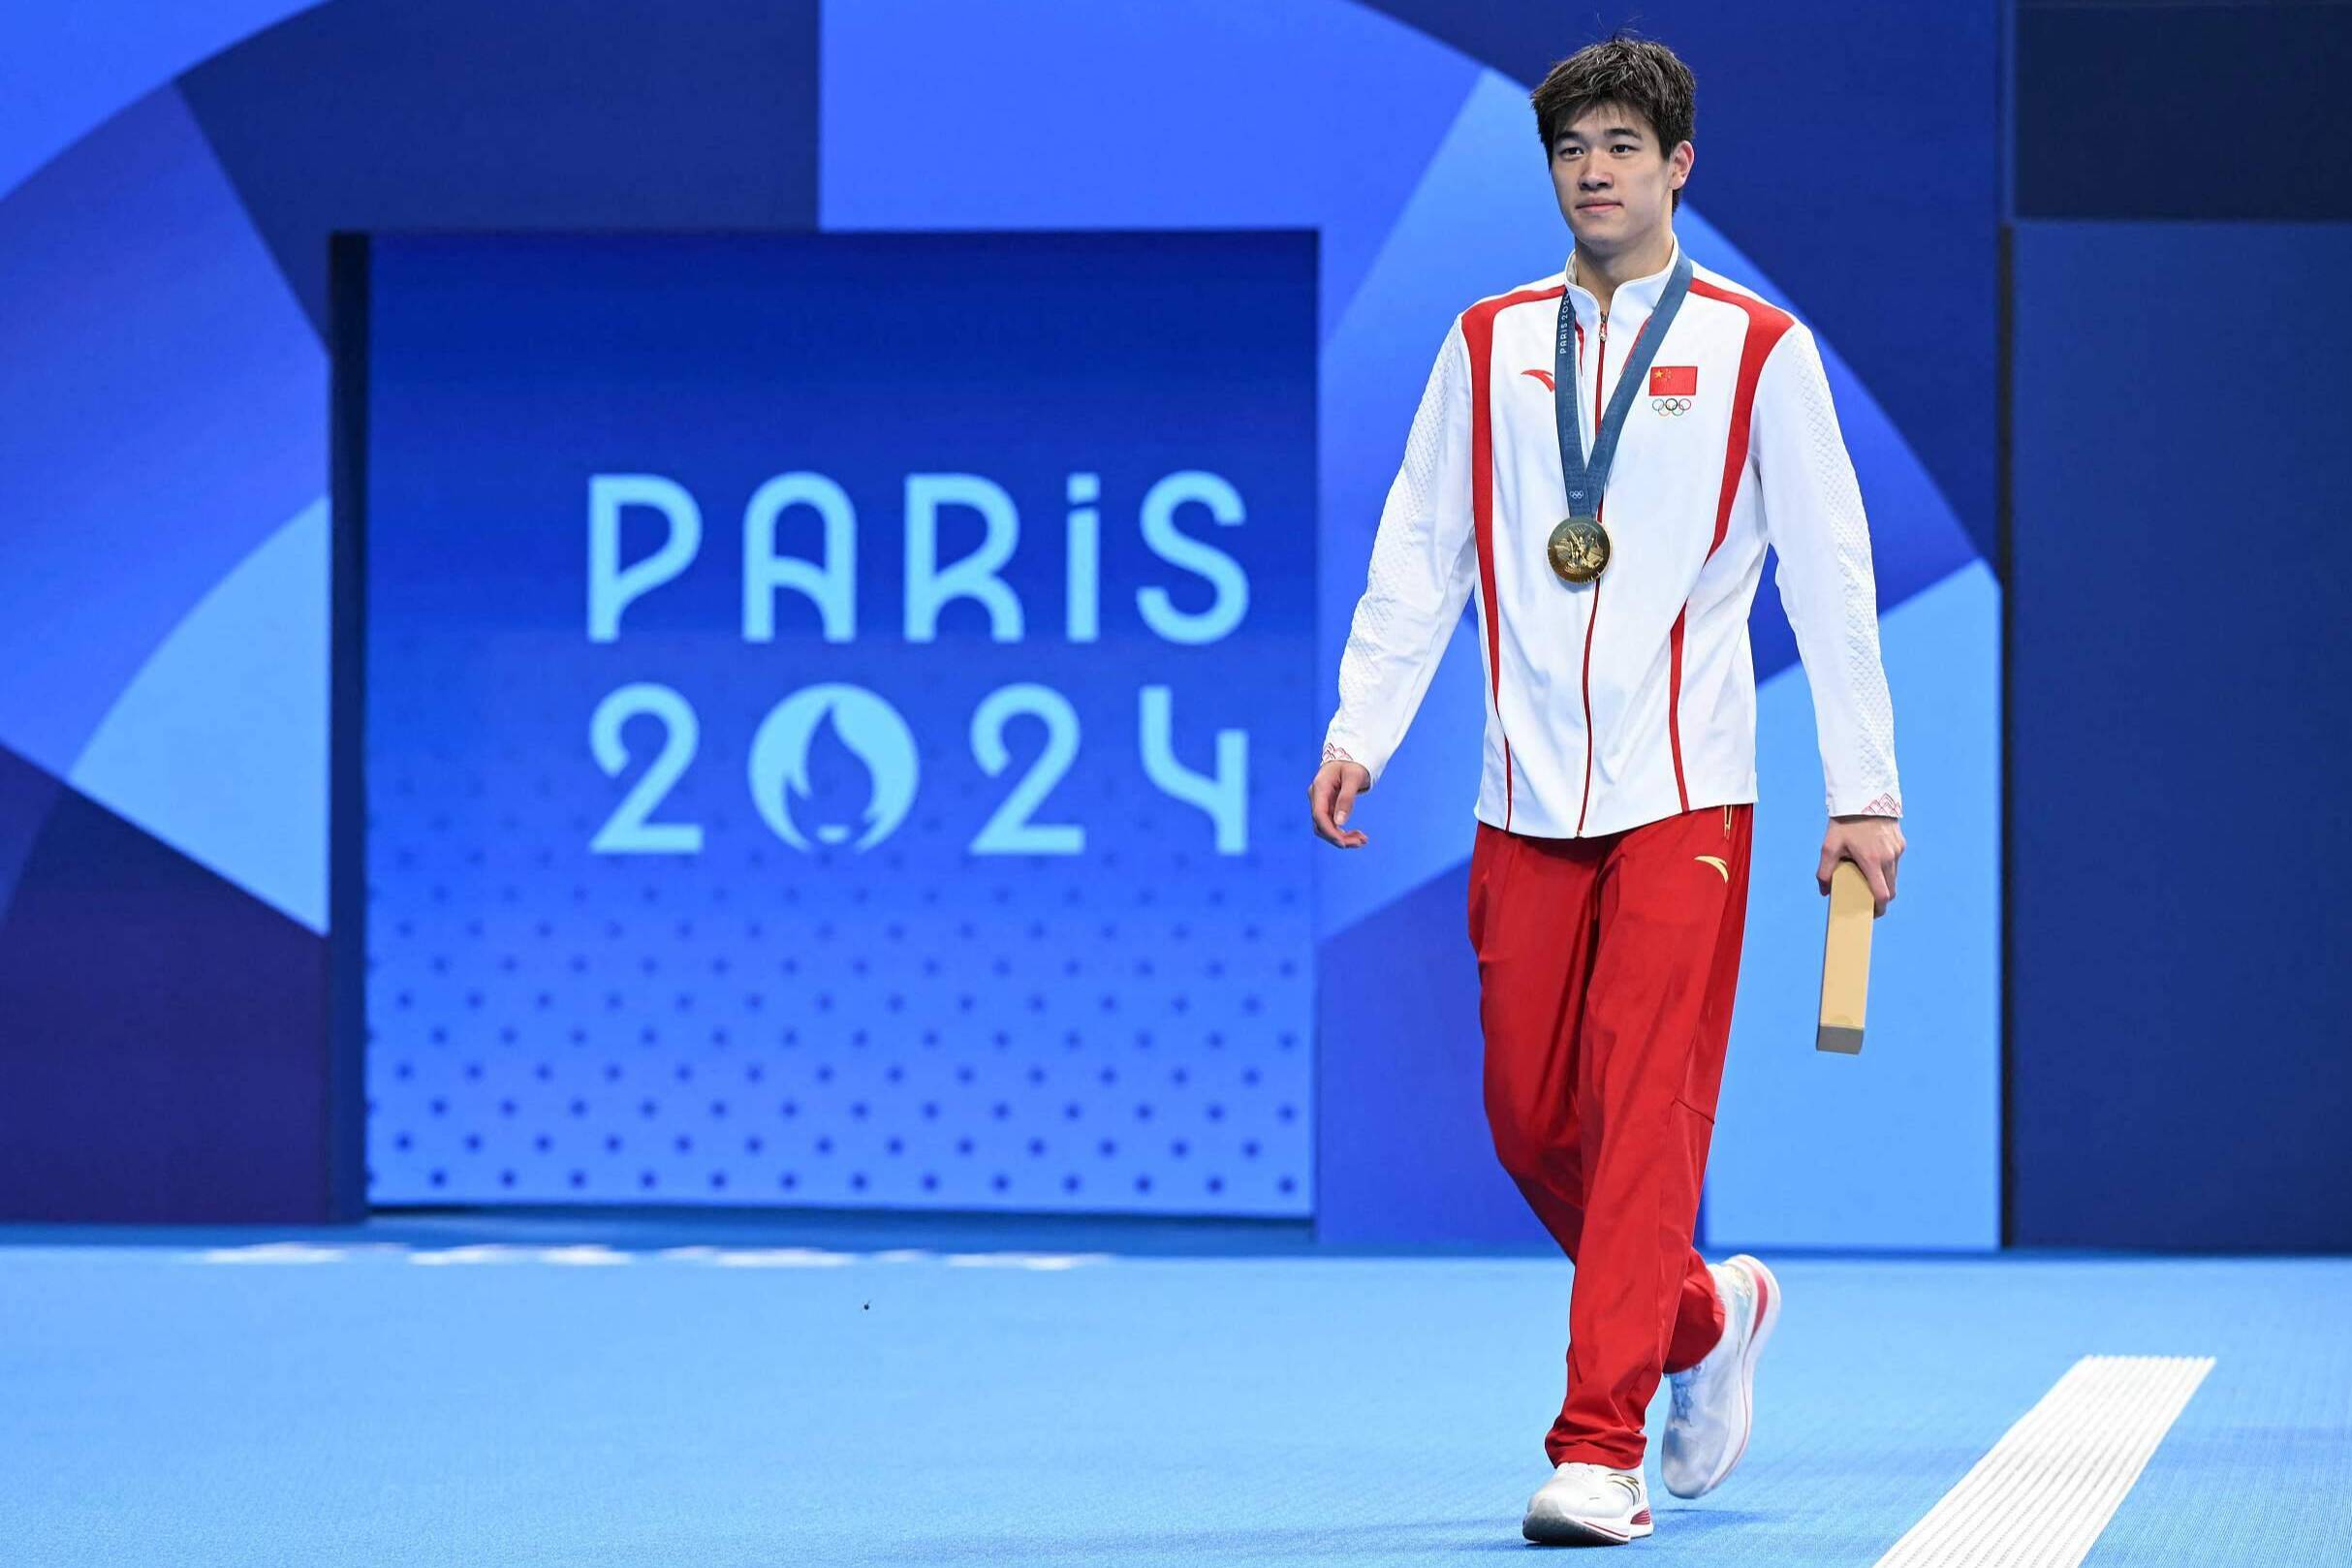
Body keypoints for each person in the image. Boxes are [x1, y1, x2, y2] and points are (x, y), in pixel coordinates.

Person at [1305, 32, 1905, 1548]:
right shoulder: (1488, 344)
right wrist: (1365, 722)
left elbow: (1831, 574)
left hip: (1688, 792)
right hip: (1523, 796)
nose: (1596, 171)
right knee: (1527, 1120)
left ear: (1678, 166)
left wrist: (1865, 788)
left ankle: (1599, 1447)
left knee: (1643, 1118)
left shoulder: (1759, 351)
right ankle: (1705, 1313)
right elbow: (1421, 549)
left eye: (1625, 146)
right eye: (1573, 148)